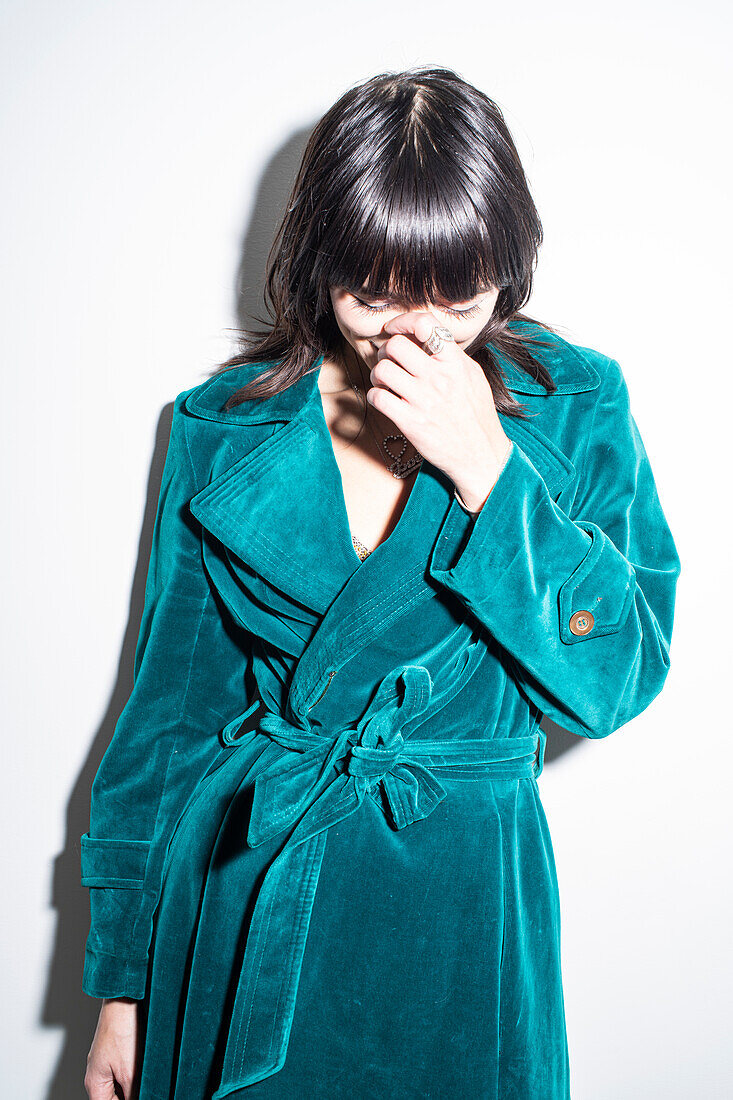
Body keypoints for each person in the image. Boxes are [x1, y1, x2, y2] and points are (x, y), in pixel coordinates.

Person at [81, 66, 681, 1100]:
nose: (415, 331)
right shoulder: (219, 426)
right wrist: (122, 991)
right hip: (243, 899)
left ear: (506, 265)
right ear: (318, 265)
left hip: (465, 921)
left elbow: (615, 676)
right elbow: (166, 723)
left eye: (457, 291)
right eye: (372, 293)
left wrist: (489, 469)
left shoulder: (574, 406)